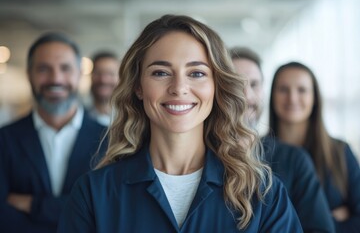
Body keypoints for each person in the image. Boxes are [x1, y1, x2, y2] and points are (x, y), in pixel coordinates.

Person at [58, 15, 302, 232]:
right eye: (161, 72)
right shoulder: (93, 194)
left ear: (216, 86)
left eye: (196, 73)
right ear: (138, 86)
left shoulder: (262, 195)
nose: (179, 88)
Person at [0, 32, 107, 233]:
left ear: (78, 74)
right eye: (43, 69)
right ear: (28, 74)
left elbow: (107, 210)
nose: (55, 78)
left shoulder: (110, 140)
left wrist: (34, 205)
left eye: (65, 68)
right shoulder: (4, 139)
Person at [230, 47, 335, 233]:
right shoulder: (197, 158)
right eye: (234, 84)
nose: (247, 96)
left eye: (254, 84)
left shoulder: (295, 159)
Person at [269, 61, 360, 232]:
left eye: (302, 90)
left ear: (315, 97)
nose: (292, 98)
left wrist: (324, 225)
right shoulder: (258, 153)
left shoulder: (340, 152)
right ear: (272, 96)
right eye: (283, 89)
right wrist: (327, 218)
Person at [88, 51, 120, 126]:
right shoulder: (79, 117)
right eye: (98, 73)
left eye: (110, 74)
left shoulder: (131, 120)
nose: (103, 80)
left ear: (120, 78)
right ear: (91, 76)